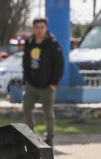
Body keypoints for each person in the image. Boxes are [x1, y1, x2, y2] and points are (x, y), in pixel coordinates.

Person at [21, 17, 64, 146]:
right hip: (31, 83)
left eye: (42, 27)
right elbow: (25, 62)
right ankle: (31, 136)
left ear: (46, 28)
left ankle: (49, 137)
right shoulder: (29, 42)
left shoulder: (52, 43)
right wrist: (25, 79)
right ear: (33, 29)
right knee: (27, 108)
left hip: (47, 85)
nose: (39, 30)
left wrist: (53, 83)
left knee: (48, 112)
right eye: (36, 27)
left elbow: (59, 64)